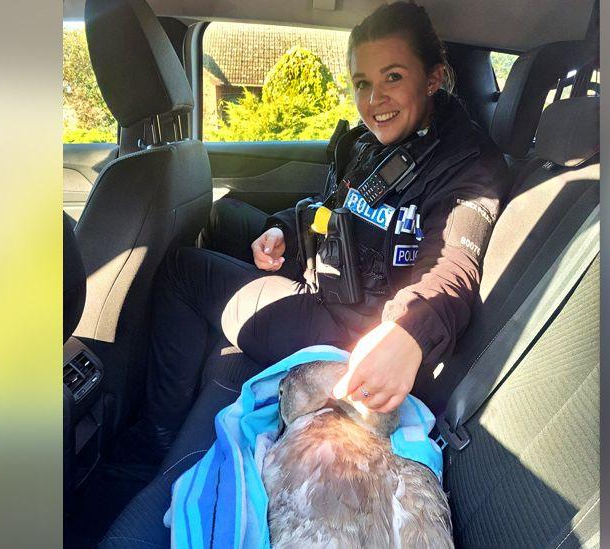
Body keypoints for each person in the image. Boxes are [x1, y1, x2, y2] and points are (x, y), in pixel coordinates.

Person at [145, 1, 509, 450]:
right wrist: (280, 231)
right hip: (328, 281)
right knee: (225, 214)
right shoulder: (374, 144)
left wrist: (408, 333)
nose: (374, 101)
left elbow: (454, 269)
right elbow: (330, 208)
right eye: (362, 83)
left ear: (432, 78)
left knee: (182, 271)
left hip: (355, 333)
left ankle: (155, 441)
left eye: (393, 77)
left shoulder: (469, 168)